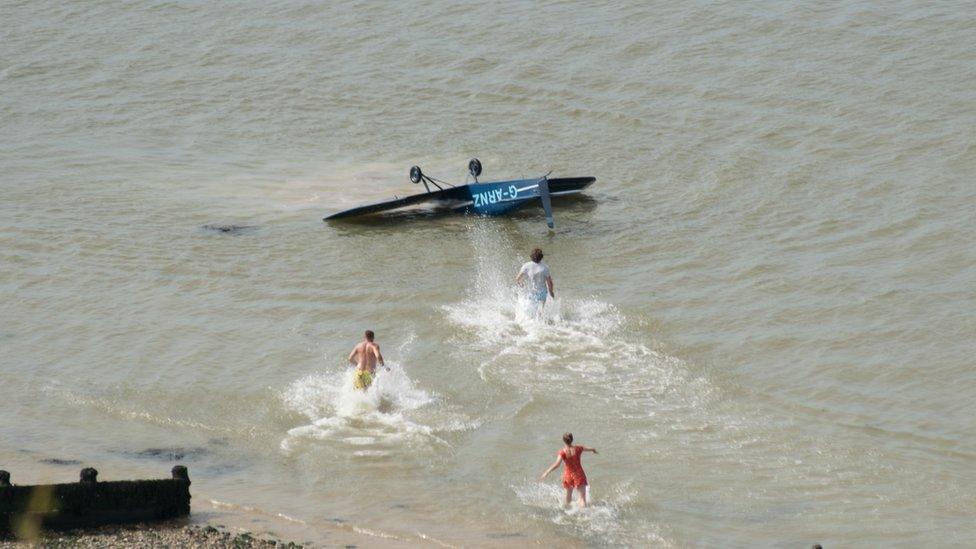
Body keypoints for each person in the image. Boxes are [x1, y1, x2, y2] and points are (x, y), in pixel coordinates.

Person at [539, 432, 598, 508]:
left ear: (564, 441)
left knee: (568, 500)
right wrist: (594, 450)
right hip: (579, 475)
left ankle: (568, 512)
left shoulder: (562, 452)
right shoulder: (578, 448)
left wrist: (547, 472)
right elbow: (590, 449)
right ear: (572, 439)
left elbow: (557, 464)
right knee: (582, 499)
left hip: (568, 476)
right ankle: (584, 513)